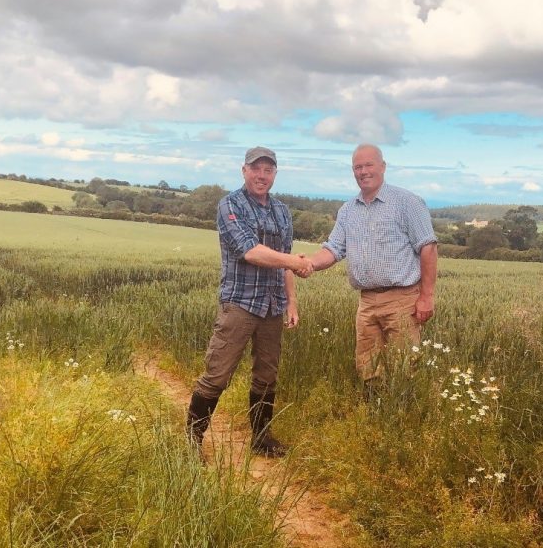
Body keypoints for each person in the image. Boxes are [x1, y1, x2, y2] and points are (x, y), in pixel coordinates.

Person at [186, 146, 313, 458]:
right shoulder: (230, 204)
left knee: (267, 375)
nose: (262, 175)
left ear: (274, 174)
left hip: (272, 306)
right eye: (256, 169)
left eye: (268, 170)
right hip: (239, 303)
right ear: (244, 170)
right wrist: (296, 261)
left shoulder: (282, 211)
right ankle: (192, 440)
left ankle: (261, 438)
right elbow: (250, 251)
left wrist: (291, 302)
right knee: (217, 374)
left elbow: (284, 263)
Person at [307, 144, 437, 392]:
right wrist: (307, 264)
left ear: (383, 167)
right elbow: (333, 248)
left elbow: (428, 248)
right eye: (358, 167)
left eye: (369, 165)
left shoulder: (407, 202)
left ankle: (402, 420)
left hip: (403, 301)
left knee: (404, 367)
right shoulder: (347, 211)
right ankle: (374, 419)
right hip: (366, 303)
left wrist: (427, 297)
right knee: (367, 369)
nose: (363, 171)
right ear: (352, 171)